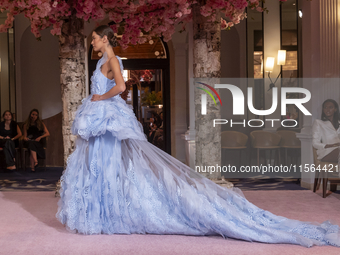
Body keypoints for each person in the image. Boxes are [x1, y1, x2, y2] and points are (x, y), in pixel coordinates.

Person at [56, 25, 340, 247]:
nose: (92, 42)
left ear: (105, 39)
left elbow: (119, 87)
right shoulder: (99, 62)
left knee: (107, 164)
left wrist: (98, 99)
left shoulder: (113, 60)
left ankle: (110, 213)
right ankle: (105, 213)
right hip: (100, 116)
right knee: (99, 164)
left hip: (105, 113)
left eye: (94, 39)